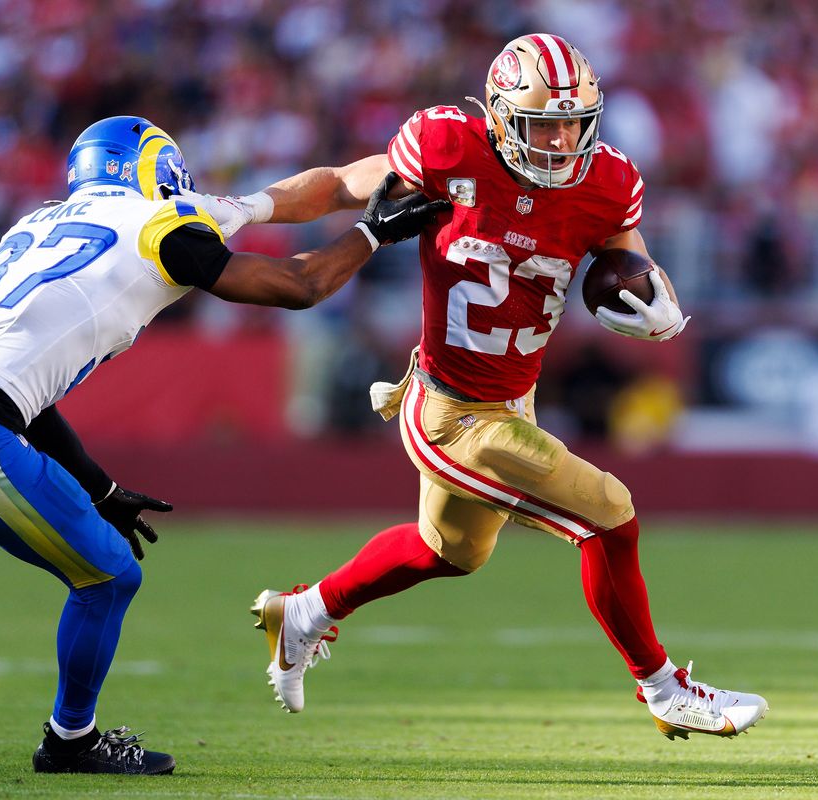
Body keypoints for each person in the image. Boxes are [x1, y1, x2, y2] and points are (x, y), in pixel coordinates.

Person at [0, 116, 447, 775]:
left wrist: (99, 485)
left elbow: (27, 387)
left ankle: (72, 737)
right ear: (153, 166)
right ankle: (71, 740)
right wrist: (372, 234)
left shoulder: (36, 222)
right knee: (110, 575)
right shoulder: (161, 222)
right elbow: (299, 283)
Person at [235, 34, 768, 739]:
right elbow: (339, 183)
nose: (559, 139)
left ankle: (303, 613)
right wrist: (243, 208)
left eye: (573, 123)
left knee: (450, 551)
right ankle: (663, 688)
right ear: (498, 117)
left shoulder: (606, 182)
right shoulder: (447, 148)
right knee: (608, 512)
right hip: (450, 410)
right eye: (542, 122)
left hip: (514, 398)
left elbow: (631, 266)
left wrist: (655, 302)